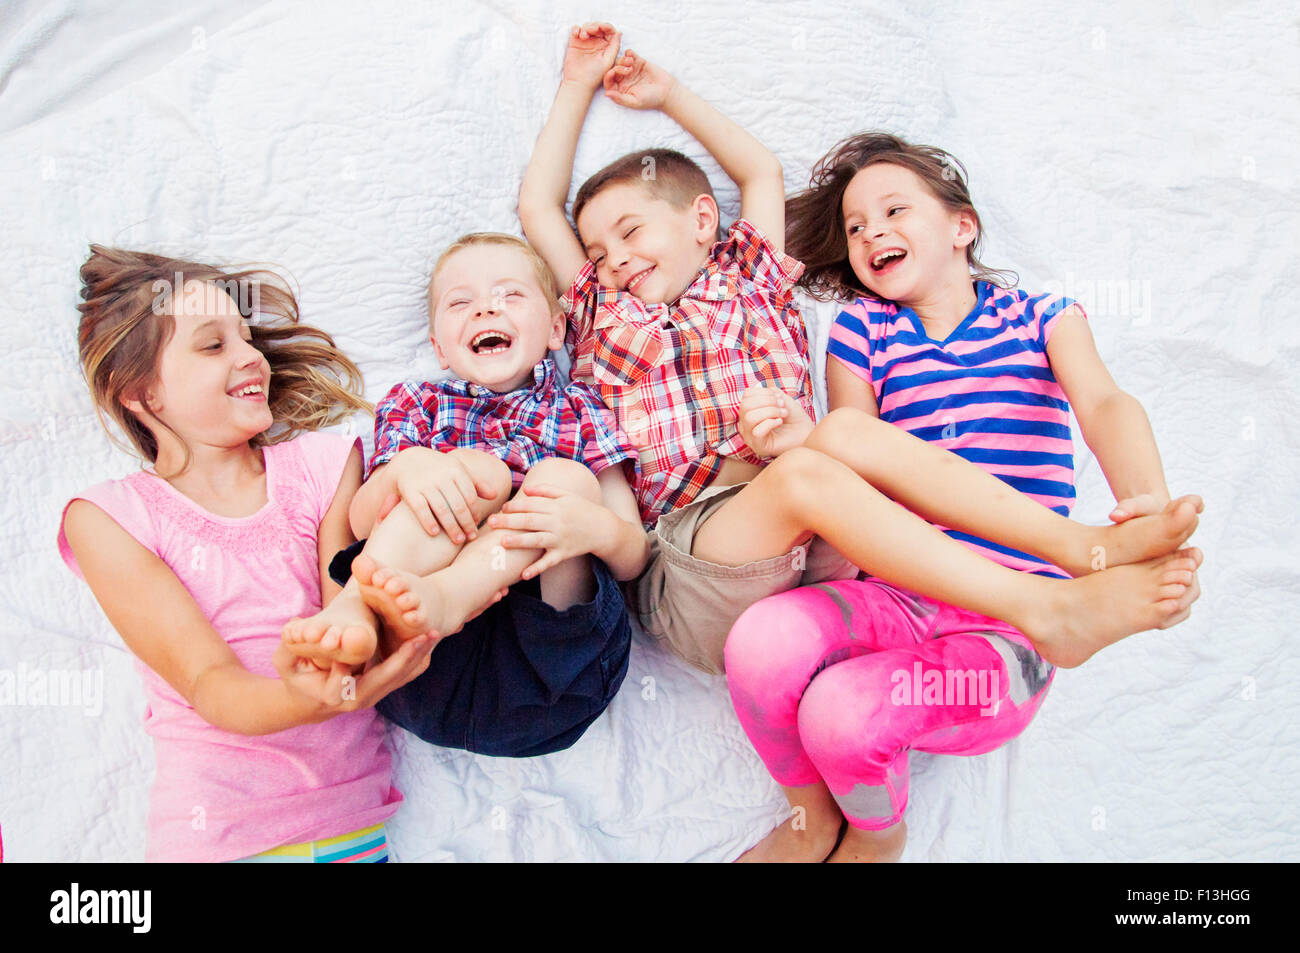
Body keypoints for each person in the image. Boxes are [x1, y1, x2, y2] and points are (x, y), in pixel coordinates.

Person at [518, 24, 1201, 681]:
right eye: (602, 254)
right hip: (696, 558)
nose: (617, 260)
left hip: (820, 553)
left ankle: (1077, 547)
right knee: (806, 473)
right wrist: (578, 82)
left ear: (703, 220)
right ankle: (1039, 606)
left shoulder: (751, 277)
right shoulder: (600, 309)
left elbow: (759, 168)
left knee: (845, 435)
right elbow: (539, 209)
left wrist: (668, 93)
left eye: (630, 232)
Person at [722, 132, 1203, 861]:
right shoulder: (861, 330)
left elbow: (1104, 403)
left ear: (961, 226)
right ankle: (812, 818)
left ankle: (877, 838)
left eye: (893, 210)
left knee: (843, 716)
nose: (871, 232)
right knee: (758, 642)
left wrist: (1148, 508)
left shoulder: (1042, 315)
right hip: (901, 590)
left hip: (1007, 631)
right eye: (855, 227)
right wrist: (801, 439)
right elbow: (860, 475)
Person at [57, 245, 429, 862]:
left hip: (348, 823)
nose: (251, 354)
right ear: (141, 390)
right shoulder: (112, 518)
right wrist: (309, 699)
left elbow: (348, 609)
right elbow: (209, 682)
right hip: (221, 837)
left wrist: (367, 651)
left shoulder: (323, 466)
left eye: (246, 335)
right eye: (212, 345)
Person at [284, 233, 645, 757]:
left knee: (565, 481)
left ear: (556, 329)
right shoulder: (418, 404)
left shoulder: (580, 409)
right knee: (477, 473)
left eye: (510, 295)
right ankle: (358, 607)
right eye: (461, 302)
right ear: (439, 346)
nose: (485, 309)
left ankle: (452, 596)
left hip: (552, 668)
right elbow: (363, 525)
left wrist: (591, 528)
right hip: (419, 661)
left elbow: (634, 554)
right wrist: (405, 468)